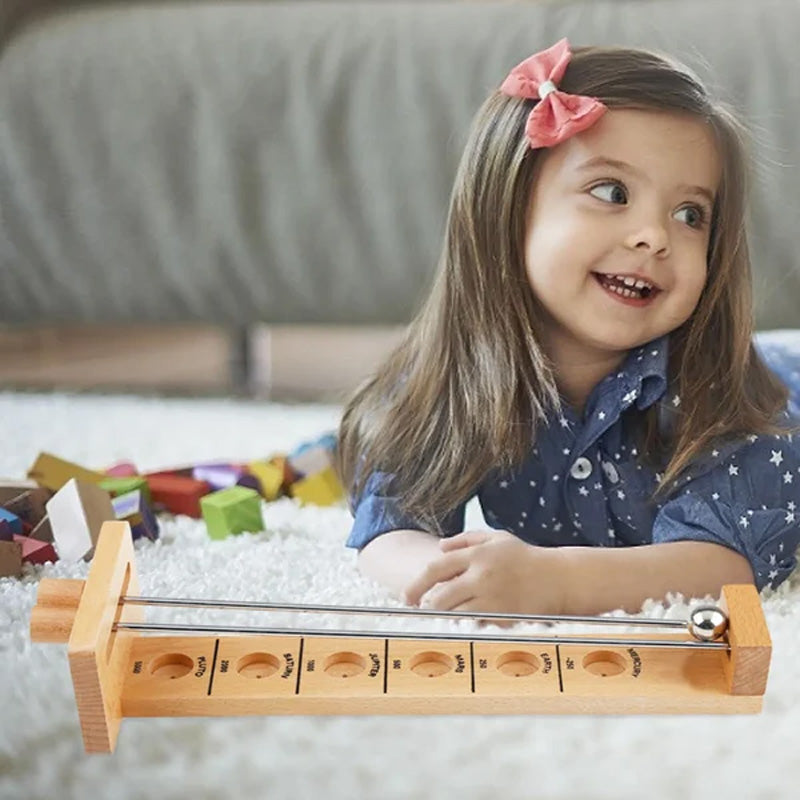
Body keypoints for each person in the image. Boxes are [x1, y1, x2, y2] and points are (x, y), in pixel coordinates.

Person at [335, 39, 800, 618]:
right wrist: (448, 578)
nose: (655, 236)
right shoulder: (450, 375)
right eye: (613, 193)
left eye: (690, 215)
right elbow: (389, 529)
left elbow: (723, 565)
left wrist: (553, 580)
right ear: (506, 205)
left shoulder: (727, 394)